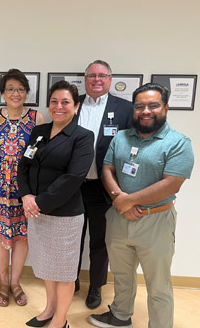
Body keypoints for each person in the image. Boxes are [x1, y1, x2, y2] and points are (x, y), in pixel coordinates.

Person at [89, 83, 194, 328]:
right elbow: (107, 168)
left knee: (158, 284)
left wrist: (130, 200)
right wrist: (120, 199)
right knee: (122, 276)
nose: (145, 111)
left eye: (153, 105)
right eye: (139, 106)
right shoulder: (121, 137)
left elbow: (172, 184)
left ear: (165, 108)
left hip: (155, 221)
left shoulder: (178, 143)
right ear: (133, 110)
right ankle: (120, 316)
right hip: (119, 217)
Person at [18, 81, 94, 328]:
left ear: (76, 106)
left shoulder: (82, 137)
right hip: (36, 212)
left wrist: (37, 202)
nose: (58, 107)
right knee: (47, 267)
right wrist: (26, 196)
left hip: (64, 216)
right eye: (54, 101)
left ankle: (60, 321)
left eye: (65, 102)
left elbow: (73, 178)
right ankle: (49, 309)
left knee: (63, 273)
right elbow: (23, 165)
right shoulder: (39, 131)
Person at [76, 60, 133, 309]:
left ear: (110, 79)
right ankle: (70, 280)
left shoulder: (125, 109)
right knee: (71, 238)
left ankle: (95, 287)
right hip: (73, 186)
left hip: (104, 187)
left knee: (100, 241)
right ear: (85, 79)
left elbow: (132, 149)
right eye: (91, 75)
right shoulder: (72, 103)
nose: (96, 79)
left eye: (102, 75)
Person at [0, 69, 45, 307]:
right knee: (1, 235)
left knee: (22, 237)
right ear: (2, 93)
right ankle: (2, 282)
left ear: (27, 92)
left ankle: (15, 282)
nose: (15, 93)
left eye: (20, 89)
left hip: (26, 190)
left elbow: (40, 156)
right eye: (10, 88)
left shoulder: (36, 118)